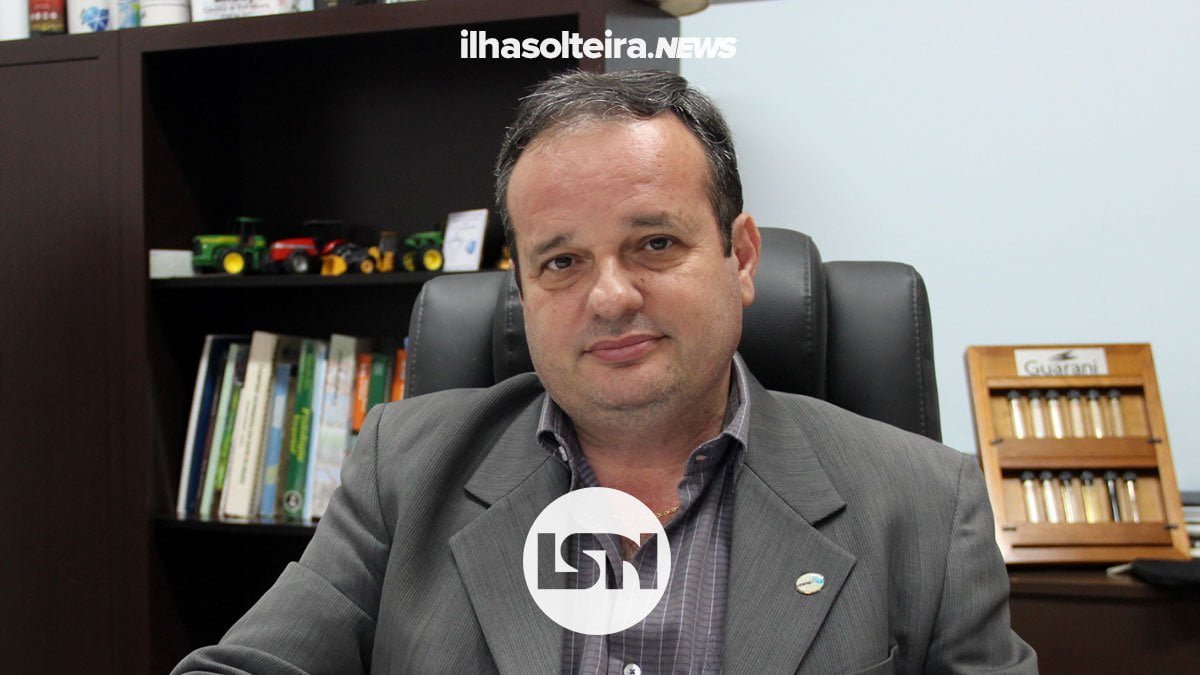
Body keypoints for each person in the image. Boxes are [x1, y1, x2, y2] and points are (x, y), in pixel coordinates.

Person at [175, 70, 1036, 674]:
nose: (611, 296)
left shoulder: (927, 505)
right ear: (522, 291)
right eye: (562, 262)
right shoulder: (404, 467)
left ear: (740, 257)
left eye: (654, 243)